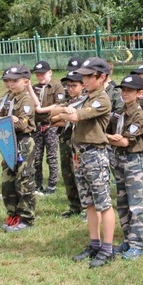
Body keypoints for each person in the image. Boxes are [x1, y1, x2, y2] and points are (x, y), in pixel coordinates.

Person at [52, 58, 115, 268]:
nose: (84, 80)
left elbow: (76, 116)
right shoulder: (87, 98)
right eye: (84, 76)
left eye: (89, 76)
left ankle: (107, 248)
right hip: (80, 153)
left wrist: (65, 112)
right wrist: (63, 112)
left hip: (95, 154)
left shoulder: (101, 99)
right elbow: (57, 115)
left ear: (102, 77)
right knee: (88, 202)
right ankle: (94, 243)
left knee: (104, 203)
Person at [107, 75, 143, 260]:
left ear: (140, 93)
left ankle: (138, 244)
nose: (125, 93)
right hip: (119, 159)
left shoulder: (138, 115)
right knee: (122, 202)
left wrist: (106, 138)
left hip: (133, 161)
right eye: (123, 90)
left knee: (136, 204)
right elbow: (111, 133)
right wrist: (109, 137)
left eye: (130, 91)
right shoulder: (120, 112)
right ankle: (128, 239)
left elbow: (124, 141)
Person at [0, 65, 37, 232]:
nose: (10, 84)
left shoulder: (26, 99)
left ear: (25, 82)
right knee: (7, 181)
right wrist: (8, 117)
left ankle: (26, 217)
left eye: (15, 81)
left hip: (23, 142)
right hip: (8, 140)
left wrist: (9, 118)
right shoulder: (7, 97)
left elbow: (22, 124)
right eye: (7, 81)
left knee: (23, 180)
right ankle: (13, 213)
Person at [54, 71, 87, 218]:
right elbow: (51, 117)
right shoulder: (68, 102)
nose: (70, 89)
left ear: (83, 85)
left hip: (80, 142)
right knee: (68, 173)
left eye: (74, 85)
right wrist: (62, 112)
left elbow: (78, 119)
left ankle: (87, 207)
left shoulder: (86, 101)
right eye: (67, 86)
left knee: (81, 174)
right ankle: (74, 206)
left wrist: (62, 117)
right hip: (65, 140)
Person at [31, 61, 65, 195]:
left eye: (43, 74)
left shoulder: (57, 87)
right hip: (37, 127)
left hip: (51, 126)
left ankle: (52, 185)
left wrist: (41, 110)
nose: (40, 77)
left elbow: (59, 104)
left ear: (50, 72)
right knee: (36, 157)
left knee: (51, 157)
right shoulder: (34, 88)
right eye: (38, 74)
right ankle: (37, 185)